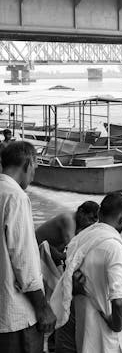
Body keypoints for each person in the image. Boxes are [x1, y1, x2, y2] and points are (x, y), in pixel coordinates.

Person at [51, 193, 122, 353]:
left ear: (100, 213)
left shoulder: (81, 238)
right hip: (105, 337)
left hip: (83, 329)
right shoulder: (113, 246)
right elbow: (119, 301)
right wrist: (117, 325)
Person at [0, 141, 56, 352]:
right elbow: (23, 260)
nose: (34, 176)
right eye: (35, 169)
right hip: (15, 315)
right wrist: (43, 308)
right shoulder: (15, 197)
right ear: (27, 164)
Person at [36, 201, 100, 266]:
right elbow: (72, 248)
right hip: (36, 250)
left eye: (94, 221)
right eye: (90, 219)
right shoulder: (68, 219)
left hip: (51, 254)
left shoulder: (82, 224)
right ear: (81, 212)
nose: (91, 223)